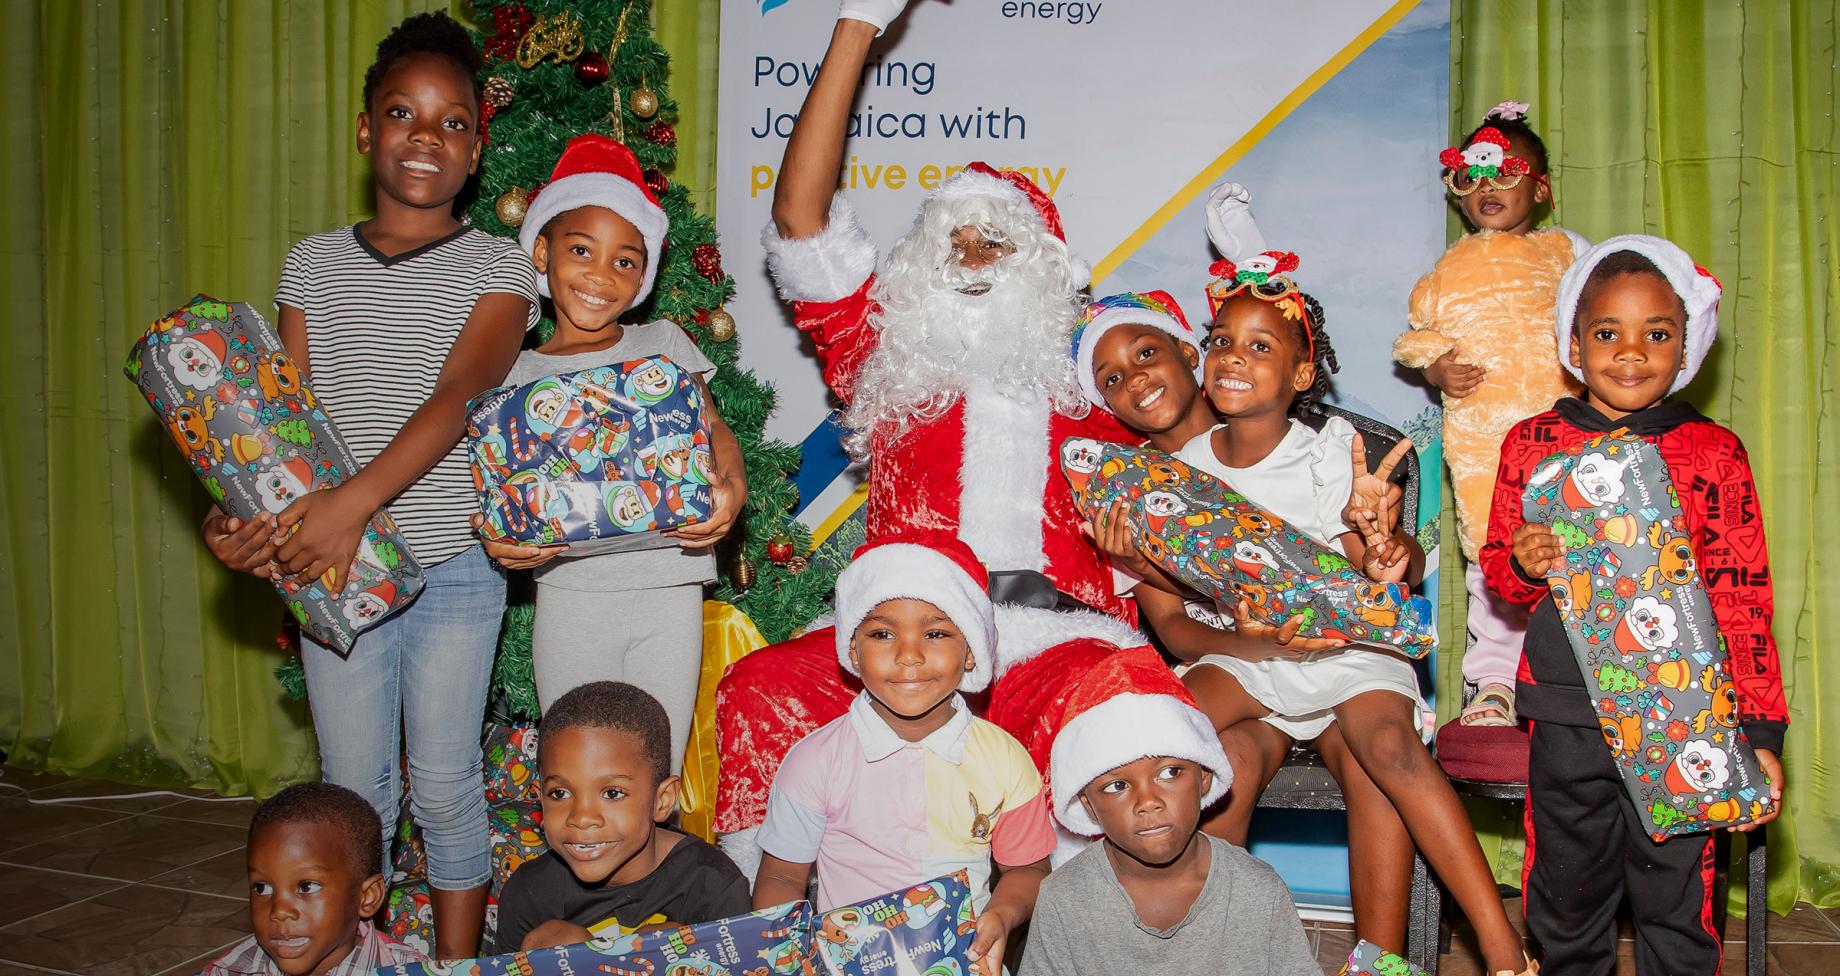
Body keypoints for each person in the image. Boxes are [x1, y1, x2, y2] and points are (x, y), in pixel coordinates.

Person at [715, 0, 1142, 870]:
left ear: (1048, 271)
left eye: (999, 242)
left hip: (1053, 642)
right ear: (918, 266)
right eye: (954, 239)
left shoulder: (1092, 380)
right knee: (760, 688)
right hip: (900, 646)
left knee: (1131, 706)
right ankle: (760, 936)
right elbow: (799, 220)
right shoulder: (883, 352)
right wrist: (858, 24)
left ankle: (1090, 939)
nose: (974, 256)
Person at [198, 12, 536, 957]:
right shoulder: (312, 263)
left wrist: (354, 505)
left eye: (453, 122)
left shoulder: (498, 265)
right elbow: (281, 424)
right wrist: (238, 523)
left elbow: (460, 394)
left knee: (443, 780)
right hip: (332, 570)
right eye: (401, 113)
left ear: (478, 149)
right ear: (364, 132)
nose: (425, 137)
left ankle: (458, 964)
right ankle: (361, 957)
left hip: (453, 562)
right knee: (353, 791)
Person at [1481, 235, 1786, 974]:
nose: (1630, 352)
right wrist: (1524, 560)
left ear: (1686, 348)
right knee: (1566, 891)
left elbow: (1745, 597)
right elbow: (1499, 568)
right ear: (1573, 344)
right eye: (1607, 333)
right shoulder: (1532, 444)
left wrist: (1761, 730)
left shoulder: (1715, 452)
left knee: (1677, 896)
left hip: (1683, 714)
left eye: (1657, 334)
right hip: (1565, 710)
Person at [475, 134, 747, 758]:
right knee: (578, 760)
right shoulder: (515, 373)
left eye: (625, 261)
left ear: (645, 273)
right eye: (580, 250)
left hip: (667, 590)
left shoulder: (663, 342)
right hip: (571, 597)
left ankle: (661, 861)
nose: (601, 276)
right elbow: (494, 489)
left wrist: (731, 487)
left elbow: (714, 430)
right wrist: (499, 538)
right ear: (541, 251)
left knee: (660, 763)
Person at [752, 535, 1055, 975]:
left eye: (935, 633)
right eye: (882, 633)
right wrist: (788, 960)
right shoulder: (815, 760)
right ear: (852, 650)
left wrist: (1001, 917)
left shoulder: (1004, 758)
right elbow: (781, 877)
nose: (909, 655)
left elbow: (1029, 869)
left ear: (970, 651)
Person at [1391, 102, 1589, 727]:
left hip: (1568, 437)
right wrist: (1436, 369)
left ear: (1541, 188)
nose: (1487, 189)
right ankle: (1494, 687)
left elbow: (1602, 321)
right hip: (1488, 449)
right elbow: (1420, 336)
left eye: (1505, 173)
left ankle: (1595, 685)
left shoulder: (1566, 253)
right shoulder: (1449, 271)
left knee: (1581, 556)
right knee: (1493, 563)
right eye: (1470, 178)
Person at [1019, 644, 1317, 976]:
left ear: (1204, 778)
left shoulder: (1257, 890)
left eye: (1170, 772)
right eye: (1117, 785)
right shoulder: (1064, 899)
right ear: (1088, 805)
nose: (1148, 801)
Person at [491, 681, 751, 952]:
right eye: (559, 793)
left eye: (612, 793)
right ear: (539, 797)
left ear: (661, 800)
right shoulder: (529, 893)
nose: (582, 817)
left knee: (667, 944)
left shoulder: (712, 885)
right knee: (557, 944)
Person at [202, 783, 426, 975]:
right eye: (262, 888)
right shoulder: (233, 969)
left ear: (367, 897)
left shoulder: (408, 970)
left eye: (306, 886)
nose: (279, 911)